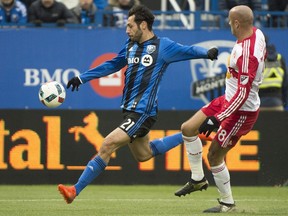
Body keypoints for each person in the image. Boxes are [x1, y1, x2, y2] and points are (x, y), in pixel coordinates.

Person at [58, 4, 218, 204]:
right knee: (144, 155)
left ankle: (75, 190)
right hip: (129, 111)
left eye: (130, 26)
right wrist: (82, 78)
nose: (127, 30)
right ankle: (192, 133)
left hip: (143, 112)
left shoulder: (163, 46)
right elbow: (112, 64)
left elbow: (188, 50)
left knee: (107, 144)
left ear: (143, 25)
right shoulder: (130, 46)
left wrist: (207, 53)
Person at [174, 5, 266, 213]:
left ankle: (227, 203)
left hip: (241, 111)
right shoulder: (257, 34)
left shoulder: (246, 54)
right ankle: (197, 179)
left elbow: (243, 94)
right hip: (228, 99)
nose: (228, 24)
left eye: (229, 21)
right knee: (188, 128)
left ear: (236, 23)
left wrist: (218, 118)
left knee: (214, 155)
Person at [259, 39, 288, 111]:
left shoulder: (260, 59)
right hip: (277, 102)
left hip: (261, 103)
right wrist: (284, 102)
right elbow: (285, 83)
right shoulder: (280, 60)